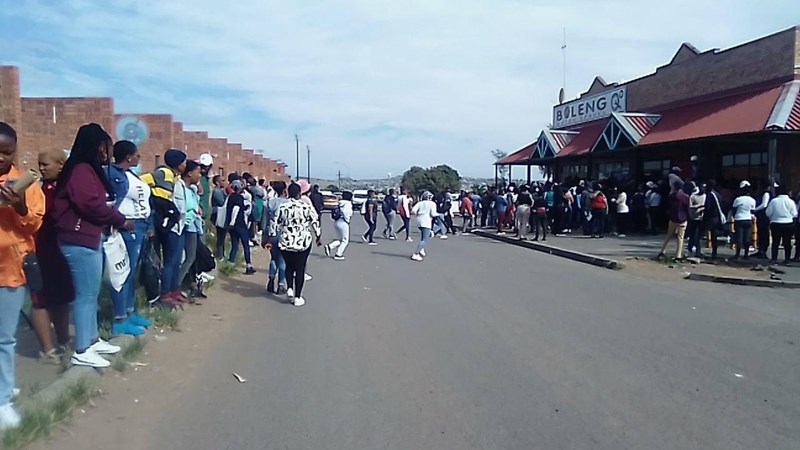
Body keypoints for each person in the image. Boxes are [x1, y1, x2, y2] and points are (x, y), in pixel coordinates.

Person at [52, 123, 129, 368]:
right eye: (106, 146)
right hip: (78, 239)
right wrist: (120, 219)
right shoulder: (81, 170)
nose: (108, 152)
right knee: (85, 295)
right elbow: (90, 204)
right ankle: (82, 348)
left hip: (88, 237)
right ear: (97, 145)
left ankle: (92, 339)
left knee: (91, 293)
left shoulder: (87, 169)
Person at [0, 122, 45, 429]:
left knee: (4, 338)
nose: (1, 158)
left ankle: (3, 401)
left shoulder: (25, 183)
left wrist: (19, 206)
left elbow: (34, 226)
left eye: (6, 152)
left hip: (10, 271)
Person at [106, 140, 152, 335]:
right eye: (137, 155)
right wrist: (118, 221)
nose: (139, 158)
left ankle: (129, 311)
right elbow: (110, 201)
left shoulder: (131, 175)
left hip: (140, 226)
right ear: (128, 156)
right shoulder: (112, 174)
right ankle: (119, 318)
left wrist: (150, 224)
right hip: (126, 226)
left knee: (132, 272)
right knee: (122, 272)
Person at [32, 149, 73, 364]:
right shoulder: (35, 189)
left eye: (45, 164)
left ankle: (64, 340)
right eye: (40, 164)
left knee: (62, 298)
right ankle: (47, 350)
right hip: (39, 249)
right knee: (41, 299)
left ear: (61, 164)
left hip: (60, 249)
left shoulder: (65, 188)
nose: (41, 168)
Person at [141, 149, 188, 307]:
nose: (185, 164)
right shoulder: (164, 173)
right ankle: (166, 293)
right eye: (183, 161)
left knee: (175, 261)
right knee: (170, 261)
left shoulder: (175, 177)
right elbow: (144, 182)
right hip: (167, 225)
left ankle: (174, 289)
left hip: (176, 224)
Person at [267, 182, 321, 306]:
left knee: (289, 266)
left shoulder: (283, 206)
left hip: (286, 241)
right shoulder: (305, 206)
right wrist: (318, 236)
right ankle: (298, 297)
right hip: (303, 242)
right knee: (300, 268)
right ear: (299, 193)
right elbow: (315, 221)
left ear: (288, 192)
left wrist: (271, 237)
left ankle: (290, 288)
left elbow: (274, 223)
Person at [178, 160, 204, 297]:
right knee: (189, 258)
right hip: (188, 228)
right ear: (189, 173)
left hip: (194, 227)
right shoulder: (182, 190)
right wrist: (194, 210)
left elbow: (200, 192)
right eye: (198, 172)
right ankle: (175, 286)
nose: (200, 175)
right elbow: (186, 209)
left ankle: (191, 283)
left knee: (191, 258)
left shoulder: (190, 190)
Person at [226, 179, 256, 274]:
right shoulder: (239, 198)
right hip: (239, 224)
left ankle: (230, 265)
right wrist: (233, 221)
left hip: (232, 227)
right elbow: (236, 208)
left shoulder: (230, 197)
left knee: (235, 245)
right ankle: (249, 266)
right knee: (245, 245)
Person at [263, 181, 288, 294]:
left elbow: (265, 221)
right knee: (283, 260)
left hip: (272, 233)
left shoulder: (271, 202)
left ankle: (271, 279)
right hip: (284, 233)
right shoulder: (288, 203)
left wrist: (265, 236)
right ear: (284, 190)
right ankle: (281, 284)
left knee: (273, 258)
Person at [657, 180, 690, 260]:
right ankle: (678, 255)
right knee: (680, 237)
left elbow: (668, 206)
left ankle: (662, 251)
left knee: (669, 235)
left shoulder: (671, 196)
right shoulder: (686, 197)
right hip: (682, 219)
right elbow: (687, 208)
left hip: (673, 218)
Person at [765, 185, 797, 264]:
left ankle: (774, 258)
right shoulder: (791, 201)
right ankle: (787, 259)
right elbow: (795, 213)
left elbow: (768, 213)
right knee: (787, 242)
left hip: (776, 223)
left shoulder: (774, 201)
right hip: (788, 223)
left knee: (775, 242)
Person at [728, 180, 756, 259]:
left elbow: (733, 209)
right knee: (747, 238)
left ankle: (737, 254)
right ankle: (746, 255)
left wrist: (734, 217)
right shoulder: (752, 200)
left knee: (739, 237)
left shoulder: (738, 199)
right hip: (748, 219)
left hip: (739, 219)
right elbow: (753, 211)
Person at [325, 191, 353, 260]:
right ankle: (338, 254)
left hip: (337, 221)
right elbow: (346, 212)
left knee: (341, 239)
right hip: (343, 222)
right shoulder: (348, 203)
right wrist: (347, 220)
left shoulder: (339, 203)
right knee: (345, 240)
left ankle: (330, 246)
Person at [410, 191, 439, 261]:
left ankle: (421, 248)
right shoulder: (432, 204)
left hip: (419, 221)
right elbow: (433, 214)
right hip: (426, 221)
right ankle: (415, 253)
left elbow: (413, 211)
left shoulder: (420, 203)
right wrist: (439, 215)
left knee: (429, 235)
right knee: (425, 239)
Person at [702, 180, 725, 260]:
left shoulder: (710, 195)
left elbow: (708, 207)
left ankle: (698, 251)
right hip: (717, 217)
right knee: (714, 235)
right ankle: (714, 252)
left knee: (701, 233)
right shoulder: (718, 195)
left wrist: (704, 216)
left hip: (711, 218)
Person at [753, 183, 775, 259]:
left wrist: (754, 210)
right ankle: (760, 250)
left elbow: (764, 205)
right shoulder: (762, 194)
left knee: (764, 233)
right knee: (760, 233)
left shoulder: (766, 194)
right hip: (761, 216)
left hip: (764, 216)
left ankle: (763, 251)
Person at [687, 182, 706, 257]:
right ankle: (690, 249)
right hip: (694, 218)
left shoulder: (706, 196)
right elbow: (690, 206)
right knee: (692, 234)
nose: (703, 189)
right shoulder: (693, 196)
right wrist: (698, 206)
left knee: (699, 236)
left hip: (702, 218)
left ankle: (698, 250)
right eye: (702, 187)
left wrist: (703, 208)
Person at [211, 175, 228, 259]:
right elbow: (222, 202)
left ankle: (221, 254)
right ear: (217, 182)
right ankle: (220, 255)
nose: (225, 182)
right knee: (220, 236)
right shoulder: (217, 192)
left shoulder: (221, 191)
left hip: (221, 214)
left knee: (222, 236)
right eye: (222, 180)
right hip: (218, 214)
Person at [198, 153, 213, 222]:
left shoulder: (206, 179)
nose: (203, 168)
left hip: (205, 213)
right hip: (198, 214)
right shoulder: (197, 178)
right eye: (202, 165)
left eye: (205, 166)